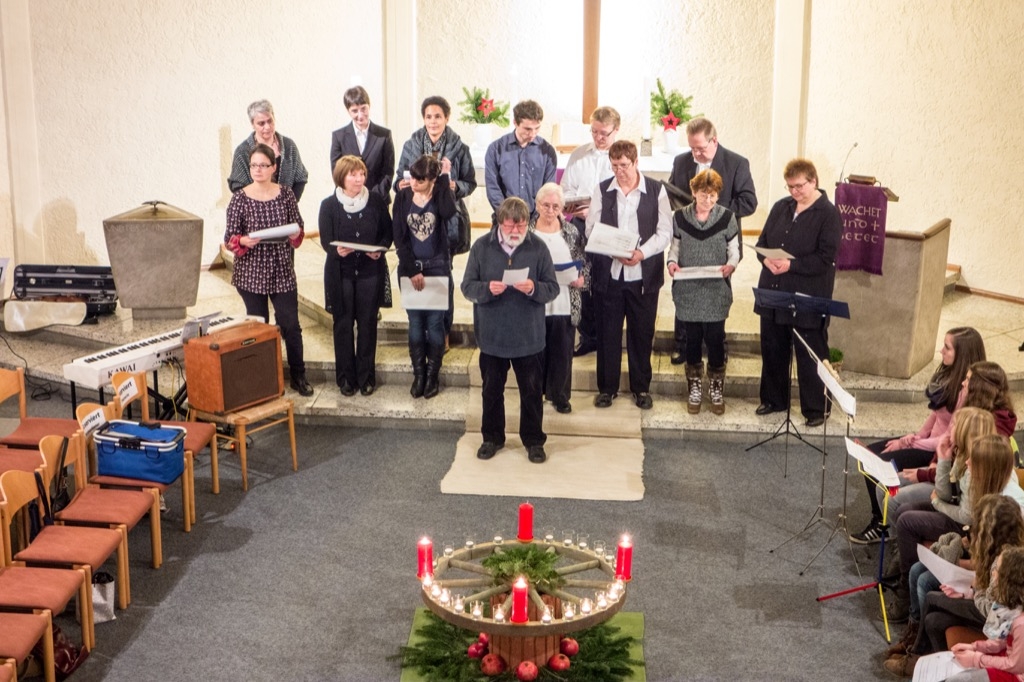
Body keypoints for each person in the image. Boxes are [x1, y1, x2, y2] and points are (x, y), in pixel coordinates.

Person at [850, 327, 986, 544]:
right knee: (871, 454)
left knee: (879, 463)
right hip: (926, 441)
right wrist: (910, 437)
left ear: (962, 354)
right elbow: (935, 415)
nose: (941, 351)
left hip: (936, 451)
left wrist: (914, 442)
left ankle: (882, 525)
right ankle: (880, 517)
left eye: (947, 348)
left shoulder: (966, 391)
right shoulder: (949, 376)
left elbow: (948, 438)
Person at [461, 197, 559, 464]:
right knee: (491, 391)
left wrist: (534, 289)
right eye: (509, 227)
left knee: (531, 392)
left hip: (529, 336)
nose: (515, 232)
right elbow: (467, 286)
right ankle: (492, 437)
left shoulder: (538, 248)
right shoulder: (481, 247)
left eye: (521, 226)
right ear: (499, 223)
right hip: (493, 336)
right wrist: (486, 290)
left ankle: (534, 440)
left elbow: (553, 287)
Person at [884, 494, 1024, 677]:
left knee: (932, 597)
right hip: (986, 610)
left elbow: (993, 609)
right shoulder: (1002, 552)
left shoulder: (1005, 562)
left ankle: (915, 656)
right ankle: (937, 668)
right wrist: (969, 592)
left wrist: (974, 590)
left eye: (978, 526)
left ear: (990, 532)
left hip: (992, 620)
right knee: (934, 620)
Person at [753, 158, 842, 427]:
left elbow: (825, 258)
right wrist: (765, 259)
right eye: (790, 186)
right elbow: (762, 242)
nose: (794, 191)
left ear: (813, 181)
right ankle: (774, 399)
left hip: (808, 294)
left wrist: (791, 265)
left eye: (799, 186)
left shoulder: (828, 214)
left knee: (810, 352)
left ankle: (816, 409)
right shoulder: (782, 207)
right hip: (774, 290)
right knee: (773, 347)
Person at [586, 140, 672, 410]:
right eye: (614, 166)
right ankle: (607, 388)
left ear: (636, 163)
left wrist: (641, 254)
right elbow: (591, 228)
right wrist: (613, 250)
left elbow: (664, 232)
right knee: (608, 333)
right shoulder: (603, 189)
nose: (619, 171)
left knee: (641, 333)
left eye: (624, 165)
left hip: (643, 275)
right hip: (611, 274)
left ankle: (641, 388)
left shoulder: (656, 191)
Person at [224, 143, 312, 396]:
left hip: (281, 267)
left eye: (263, 165)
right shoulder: (240, 197)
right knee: (259, 327)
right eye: (253, 165)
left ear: (274, 167)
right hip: (251, 270)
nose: (258, 170)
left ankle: (299, 375)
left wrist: (294, 233)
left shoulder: (285, 194)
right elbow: (230, 237)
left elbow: (298, 228)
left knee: (290, 325)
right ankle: (262, 379)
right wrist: (242, 240)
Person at [667, 117, 757, 365]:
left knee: (716, 295)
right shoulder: (682, 161)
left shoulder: (736, 163)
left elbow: (749, 202)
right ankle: (682, 344)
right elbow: (673, 194)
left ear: (714, 141)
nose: (695, 153)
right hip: (689, 240)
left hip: (721, 242)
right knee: (685, 291)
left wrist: (711, 206)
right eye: (692, 147)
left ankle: (718, 344)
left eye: (701, 148)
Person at [394, 96, 477, 344]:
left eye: (438, 116)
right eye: (428, 116)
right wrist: (402, 183)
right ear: (423, 119)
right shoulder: (411, 145)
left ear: (447, 118)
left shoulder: (459, 148)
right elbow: (399, 178)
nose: (433, 121)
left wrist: (452, 185)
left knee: (444, 276)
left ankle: (444, 329)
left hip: (445, 221)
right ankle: (421, 329)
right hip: (414, 220)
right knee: (417, 274)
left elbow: (470, 183)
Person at [666, 169, 740, 415]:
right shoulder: (680, 217)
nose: (707, 199)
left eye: (712, 195)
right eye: (702, 194)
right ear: (694, 192)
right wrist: (671, 263)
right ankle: (695, 388)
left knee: (716, 338)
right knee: (693, 339)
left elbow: (734, 249)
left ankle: (716, 388)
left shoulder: (727, 218)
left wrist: (732, 264)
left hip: (716, 288)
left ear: (718, 195)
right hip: (689, 288)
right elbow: (674, 248)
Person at [318, 155, 392, 397]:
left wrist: (379, 250)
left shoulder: (377, 202)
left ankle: (366, 377)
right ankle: (346, 378)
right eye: (353, 174)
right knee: (343, 325)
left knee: (368, 325)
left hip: (370, 272)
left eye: (361, 174)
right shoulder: (329, 205)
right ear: (341, 177)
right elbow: (325, 240)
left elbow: (387, 234)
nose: (359, 179)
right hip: (341, 273)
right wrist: (336, 251)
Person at [392, 155, 457, 399]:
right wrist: (412, 270)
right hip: (411, 268)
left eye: (420, 180)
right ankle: (418, 375)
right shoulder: (402, 196)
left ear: (431, 179)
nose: (413, 182)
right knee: (416, 324)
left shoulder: (440, 194)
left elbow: (449, 212)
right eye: (412, 177)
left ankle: (432, 376)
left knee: (435, 323)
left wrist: (445, 179)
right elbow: (399, 236)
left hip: (437, 267)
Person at [560, 106, 619, 358]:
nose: (598, 138)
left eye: (604, 133)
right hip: (580, 224)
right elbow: (565, 189)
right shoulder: (578, 155)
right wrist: (580, 206)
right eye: (594, 132)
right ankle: (588, 335)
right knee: (581, 278)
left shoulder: (621, 156)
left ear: (616, 130)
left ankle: (607, 335)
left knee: (605, 281)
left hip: (610, 227)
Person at [529, 183, 587, 414]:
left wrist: (582, 279)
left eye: (555, 206)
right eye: (546, 205)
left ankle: (560, 396)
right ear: (537, 205)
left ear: (562, 207)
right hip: (536, 304)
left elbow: (584, 263)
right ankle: (536, 393)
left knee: (563, 352)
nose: (550, 210)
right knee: (536, 353)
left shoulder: (571, 232)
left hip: (565, 301)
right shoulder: (528, 232)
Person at [946, 547, 1024, 682]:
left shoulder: (1021, 624)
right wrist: (975, 647)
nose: (993, 573)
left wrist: (976, 659)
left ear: (1009, 580)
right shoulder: (1011, 604)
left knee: (959, 679)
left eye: (997, 571)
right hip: (1009, 658)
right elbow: (1002, 640)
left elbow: (1014, 665)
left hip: (1016, 674)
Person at [484, 99, 557, 219]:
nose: (533, 134)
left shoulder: (547, 151)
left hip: (537, 219)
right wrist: (507, 216)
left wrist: (537, 218)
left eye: (537, 128)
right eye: (527, 129)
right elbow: (493, 189)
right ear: (515, 123)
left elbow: (548, 190)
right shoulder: (496, 149)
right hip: (505, 218)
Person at [228, 99, 308, 201]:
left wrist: (290, 203)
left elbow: (300, 178)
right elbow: (237, 186)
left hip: (286, 212)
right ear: (253, 124)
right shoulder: (243, 151)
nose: (267, 127)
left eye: (270, 121)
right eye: (261, 123)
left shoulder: (289, 146)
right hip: (255, 213)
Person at [330, 86, 395, 204]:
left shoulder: (384, 135)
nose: (360, 115)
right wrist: (353, 196)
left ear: (369, 106)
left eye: (363, 109)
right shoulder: (338, 137)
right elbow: (337, 172)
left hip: (378, 200)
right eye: (355, 110)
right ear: (348, 111)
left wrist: (374, 197)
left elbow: (388, 172)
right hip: (348, 201)